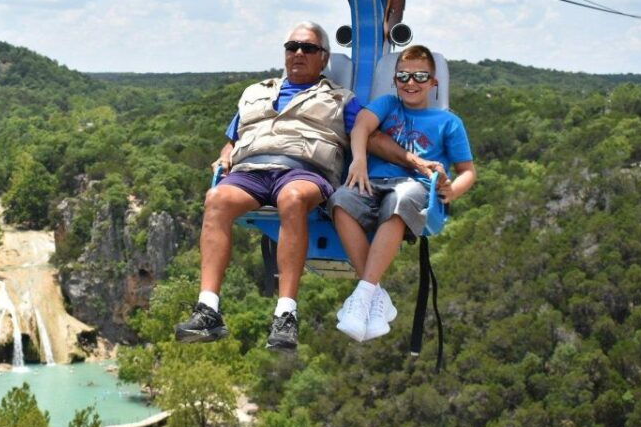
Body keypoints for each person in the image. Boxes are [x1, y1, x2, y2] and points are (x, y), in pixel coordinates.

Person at [174, 21, 436, 351]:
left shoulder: (341, 99)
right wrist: (224, 156)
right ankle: (208, 309)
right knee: (216, 198)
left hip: (304, 170)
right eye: (292, 47)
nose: (298, 53)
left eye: (309, 48)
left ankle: (285, 315)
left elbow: (371, 138)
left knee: (293, 198)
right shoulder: (255, 93)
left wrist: (415, 162)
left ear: (324, 58)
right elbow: (234, 139)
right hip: (252, 168)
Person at [331, 44, 477, 342]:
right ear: (395, 81)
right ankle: (376, 295)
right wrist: (359, 160)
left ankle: (363, 295)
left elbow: (468, 172)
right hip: (373, 182)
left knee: (401, 199)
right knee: (340, 200)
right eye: (403, 77)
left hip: (413, 187)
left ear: (433, 83)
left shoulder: (449, 122)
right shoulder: (387, 105)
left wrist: (450, 193)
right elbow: (361, 126)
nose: (411, 83)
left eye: (420, 77)